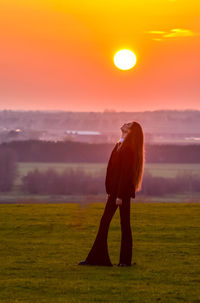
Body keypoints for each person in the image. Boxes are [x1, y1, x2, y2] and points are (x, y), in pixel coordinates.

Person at [78, 121, 145, 267]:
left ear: (131, 131)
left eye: (128, 125)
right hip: (115, 192)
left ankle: (121, 261)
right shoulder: (120, 144)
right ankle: (101, 258)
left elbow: (125, 174)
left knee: (123, 225)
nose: (124, 124)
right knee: (110, 223)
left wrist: (120, 196)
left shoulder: (128, 149)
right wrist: (109, 191)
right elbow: (112, 170)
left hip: (121, 194)